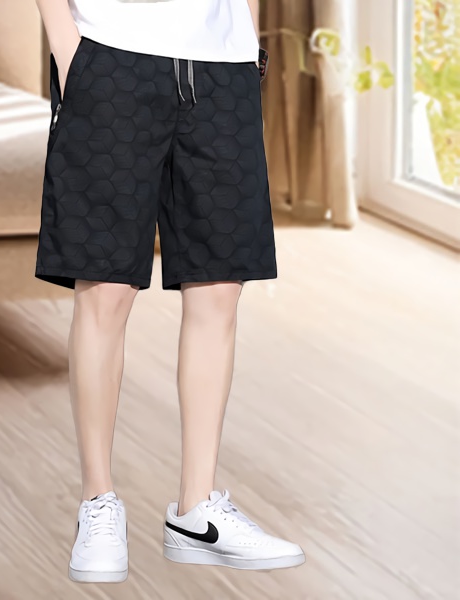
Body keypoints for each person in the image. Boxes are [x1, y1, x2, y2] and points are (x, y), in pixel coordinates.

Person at [34, 0, 305, 584]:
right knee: (105, 287)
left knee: (220, 287)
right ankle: (98, 502)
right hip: (108, 57)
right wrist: (66, 47)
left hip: (223, 68)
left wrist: (248, 40)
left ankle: (197, 510)